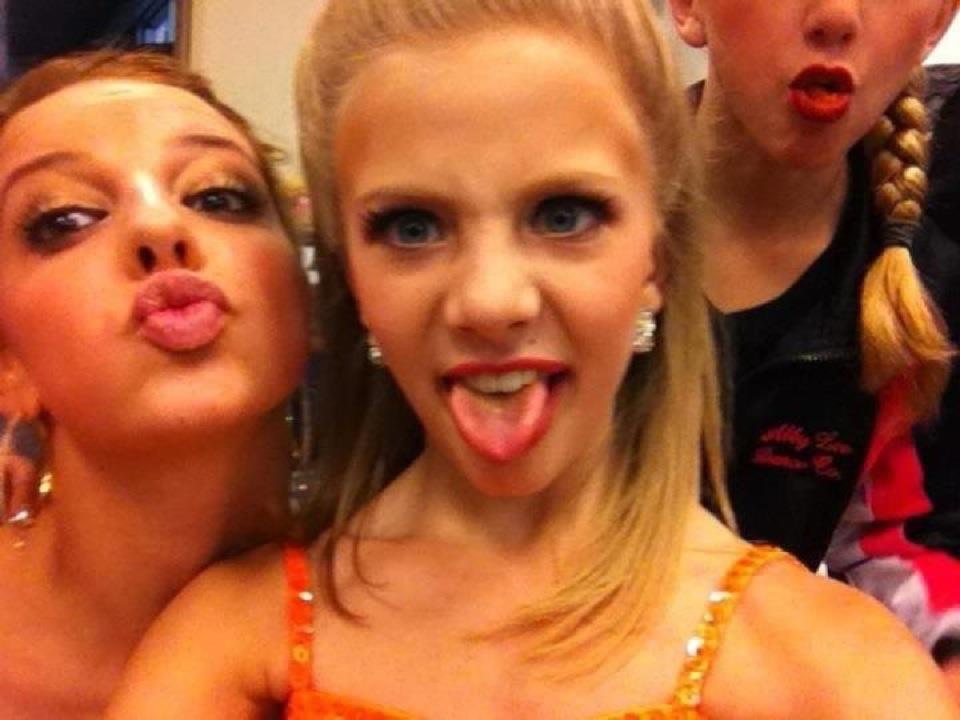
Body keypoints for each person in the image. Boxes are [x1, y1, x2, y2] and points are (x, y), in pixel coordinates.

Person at [108, 1, 960, 718]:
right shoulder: (232, 645)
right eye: (412, 227)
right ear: (351, 276)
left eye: (563, 216)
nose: (491, 302)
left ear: (657, 257)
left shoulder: (838, 677)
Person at [0, 50, 310, 717]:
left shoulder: (423, 627)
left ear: (309, 302)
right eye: (66, 218)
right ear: (7, 365)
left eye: (217, 196)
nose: (159, 226)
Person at [666, 0, 960, 698]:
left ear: (935, 25)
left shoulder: (923, 300)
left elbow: (911, 548)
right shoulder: (565, 230)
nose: (835, 15)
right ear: (687, 6)